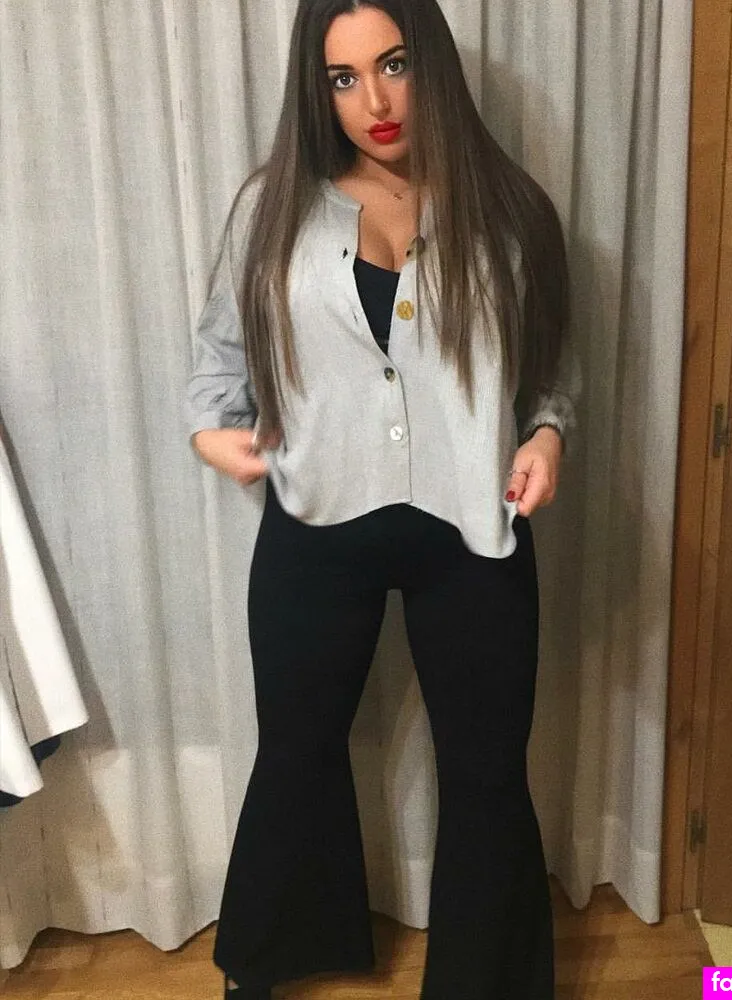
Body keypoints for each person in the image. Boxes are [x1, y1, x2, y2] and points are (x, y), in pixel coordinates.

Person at [185, 1, 582, 997]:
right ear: (317, 90)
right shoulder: (272, 209)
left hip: (472, 524)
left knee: (487, 771)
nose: (376, 100)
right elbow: (217, 361)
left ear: (430, 61)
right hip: (318, 516)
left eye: (394, 64)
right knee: (296, 750)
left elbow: (548, 369)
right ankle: (272, 958)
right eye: (344, 77)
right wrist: (212, 431)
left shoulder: (511, 210)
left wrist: (546, 433)